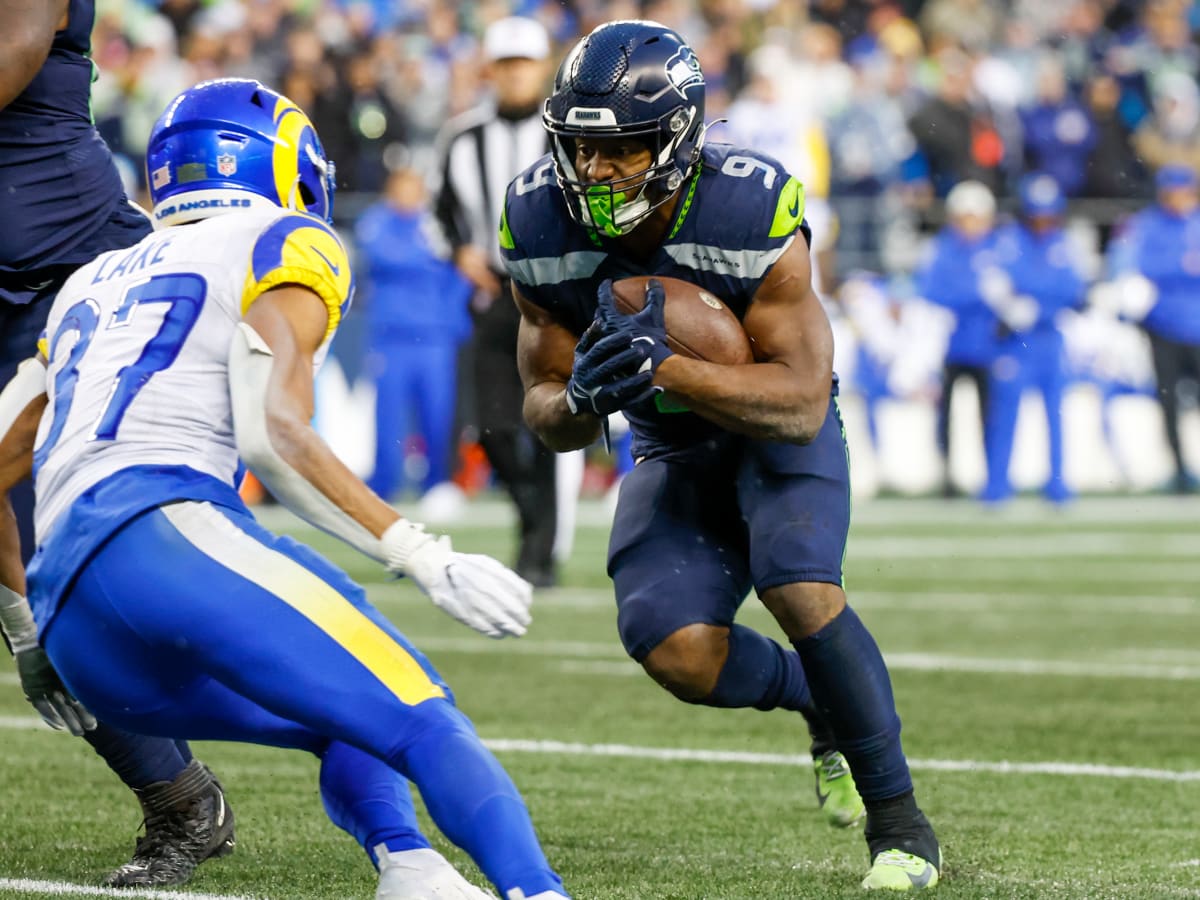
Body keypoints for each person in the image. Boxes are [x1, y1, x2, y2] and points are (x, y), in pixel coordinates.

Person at [0, 78, 567, 900]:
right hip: (169, 541)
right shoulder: (280, 236)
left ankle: (408, 864)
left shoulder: (94, 279)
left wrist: (25, 633)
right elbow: (275, 433)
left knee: (351, 711)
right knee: (424, 712)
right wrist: (421, 554)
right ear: (281, 164)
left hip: (76, 625)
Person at [502, 20, 939, 891]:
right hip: (671, 443)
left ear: (677, 138)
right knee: (676, 653)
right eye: (580, 147)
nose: (594, 172)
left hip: (772, 431)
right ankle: (814, 696)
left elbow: (802, 400)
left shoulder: (749, 204)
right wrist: (586, 398)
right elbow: (547, 413)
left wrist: (668, 367)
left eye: (620, 149)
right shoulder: (535, 221)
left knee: (800, 586)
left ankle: (901, 826)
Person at [0, 0, 235, 886]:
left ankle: (187, 791)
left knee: (88, 571)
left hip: (69, 276)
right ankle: (179, 796)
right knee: (26, 602)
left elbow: (15, 48)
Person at [433, 16, 572, 588]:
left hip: (556, 295)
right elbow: (438, 215)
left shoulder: (567, 133)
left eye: (524, 63)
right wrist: (459, 252)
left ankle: (541, 550)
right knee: (490, 427)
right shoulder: (463, 137)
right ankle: (530, 519)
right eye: (506, 64)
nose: (515, 75)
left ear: (542, 68)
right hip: (493, 294)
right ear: (490, 70)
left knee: (550, 420)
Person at [356, 159, 472, 506]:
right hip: (391, 336)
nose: (408, 195)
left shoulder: (436, 223)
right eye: (401, 188)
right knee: (388, 416)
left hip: (435, 337)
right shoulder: (375, 221)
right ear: (390, 191)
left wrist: (452, 322)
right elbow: (383, 255)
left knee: (438, 414)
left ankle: (437, 486)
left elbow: (460, 270)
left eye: (414, 188)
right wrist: (430, 258)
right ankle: (383, 486)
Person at [982, 173, 1086, 504]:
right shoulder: (1010, 240)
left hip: (1050, 337)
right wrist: (1015, 302)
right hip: (1015, 340)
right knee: (1005, 414)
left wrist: (1036, 304)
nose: (1042, 220)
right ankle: (997, 485)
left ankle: (1057, 485)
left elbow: (1072, 289)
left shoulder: (1063, 243)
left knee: (1055, 413)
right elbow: (1000, 284)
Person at [1107, 164, 1200, 494]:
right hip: (1164, 327)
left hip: (1197, 325)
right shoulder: (1146, 225)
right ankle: (1179, 469)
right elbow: (1127, 266)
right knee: (1169, 402)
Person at [916, 180, 1003, 498]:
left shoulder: (998, 247)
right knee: (945, 417)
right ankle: (947, 475)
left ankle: (993, 478)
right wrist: (979, 295)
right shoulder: (942, 248)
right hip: (950, 346)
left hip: (987, 346)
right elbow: (933, 292)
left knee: (990, 416)